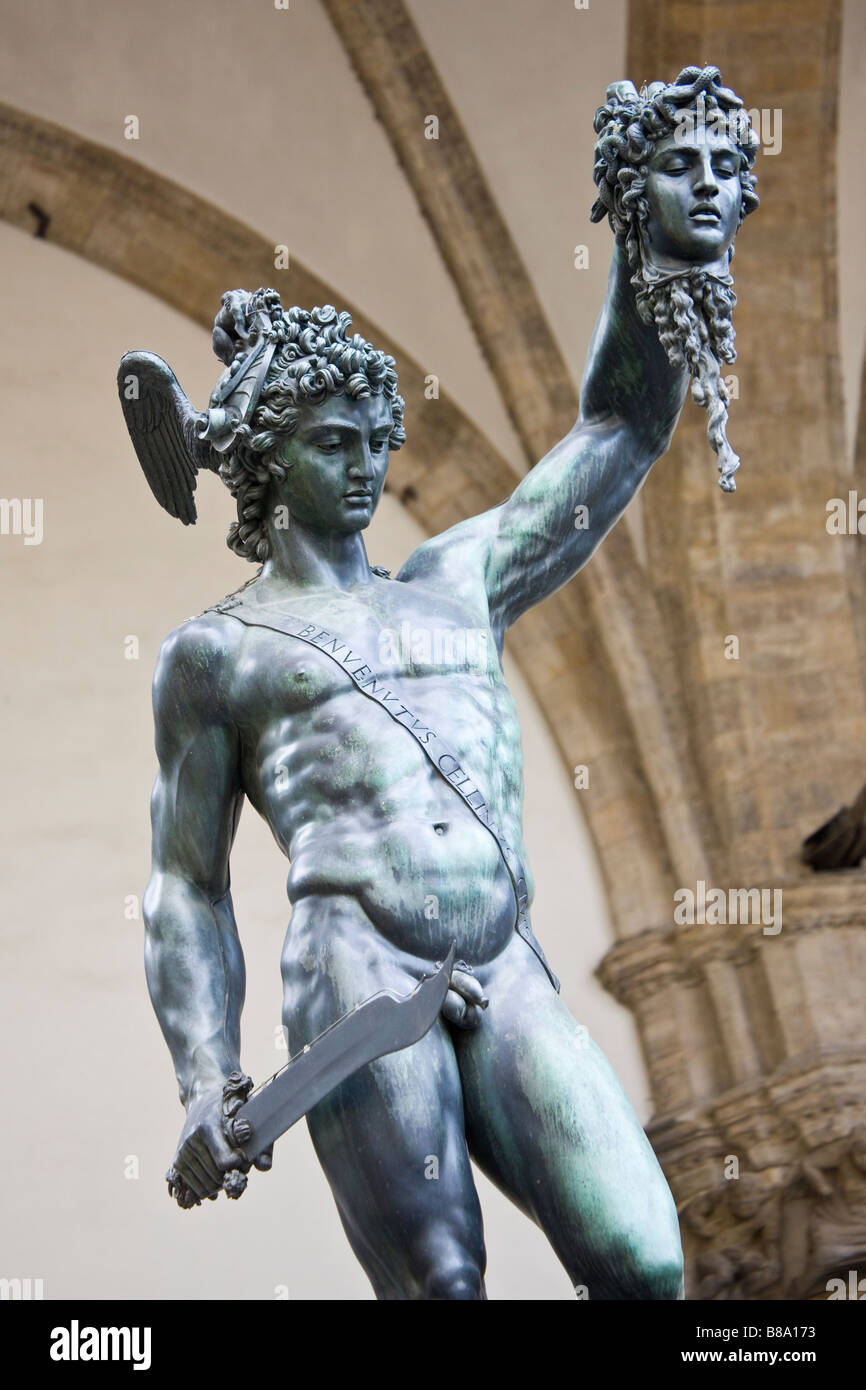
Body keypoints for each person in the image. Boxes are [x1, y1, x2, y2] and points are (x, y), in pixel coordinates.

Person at [125, 65, 758, 1299]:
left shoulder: (454, 582)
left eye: (376, 440)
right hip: (356, 960)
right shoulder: (219, 654)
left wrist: (651, 244)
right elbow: (185, 886)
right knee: (441, 1278)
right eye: (330, 443)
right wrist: (203, 1076)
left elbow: (618, 430)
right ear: (265, 455)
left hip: (505, 954)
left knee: (644, 1258)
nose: (365, 468)